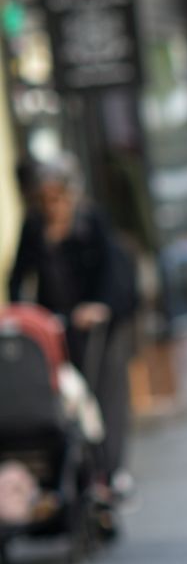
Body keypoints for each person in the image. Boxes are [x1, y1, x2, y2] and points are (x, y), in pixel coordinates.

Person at [7, 154, 138, 498]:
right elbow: (19, 277)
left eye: (59, 197)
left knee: (105, 393)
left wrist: (99, 307)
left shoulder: (91, 219)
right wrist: (24, 315)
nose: (54, 206)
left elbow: (113, 270)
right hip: (58, 325)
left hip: (99, 325)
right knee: (68, 396)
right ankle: (81, 470)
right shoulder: (34, 225)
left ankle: (111, 472)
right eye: (46, 198)